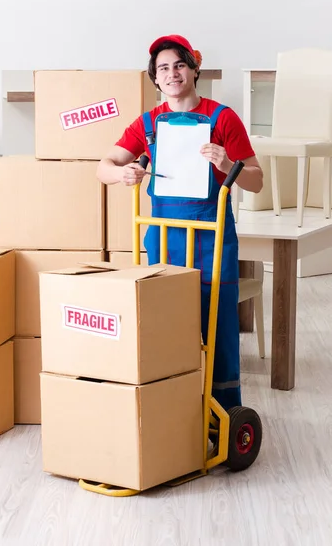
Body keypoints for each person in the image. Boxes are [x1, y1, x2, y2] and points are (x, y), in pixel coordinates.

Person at [97, 34, 263, 411]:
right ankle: (169, 407)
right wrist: (122, 176)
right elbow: (103, 167)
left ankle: (222, 411)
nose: (172, 74)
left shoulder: (223, 118)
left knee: (216, 326)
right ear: (155, 78)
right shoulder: (148, 122)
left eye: (179, 65)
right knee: (165, 323)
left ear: (193, 69)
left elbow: (256, 180)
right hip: (164, 239)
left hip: (213, 240)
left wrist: (226, 165)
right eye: (163, 68)